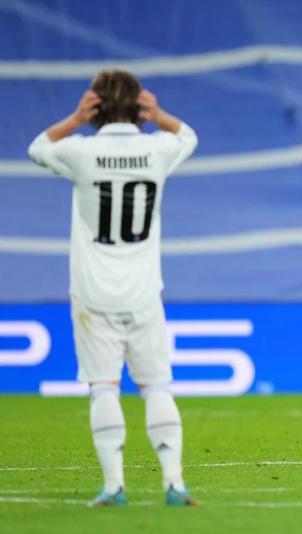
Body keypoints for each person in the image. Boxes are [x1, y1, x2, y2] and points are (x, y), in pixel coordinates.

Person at [28, 70, 198, 506]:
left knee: (104, 387)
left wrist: (73, 119)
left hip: (93, 294)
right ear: (139, 106)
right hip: (144, 292)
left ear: (96, 106)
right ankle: (174, 484)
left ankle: (114, 486)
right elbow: (189, 137)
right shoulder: (157, 149)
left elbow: (37, 149)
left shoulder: (82, 153)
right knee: (157, 386)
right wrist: (160, 116)